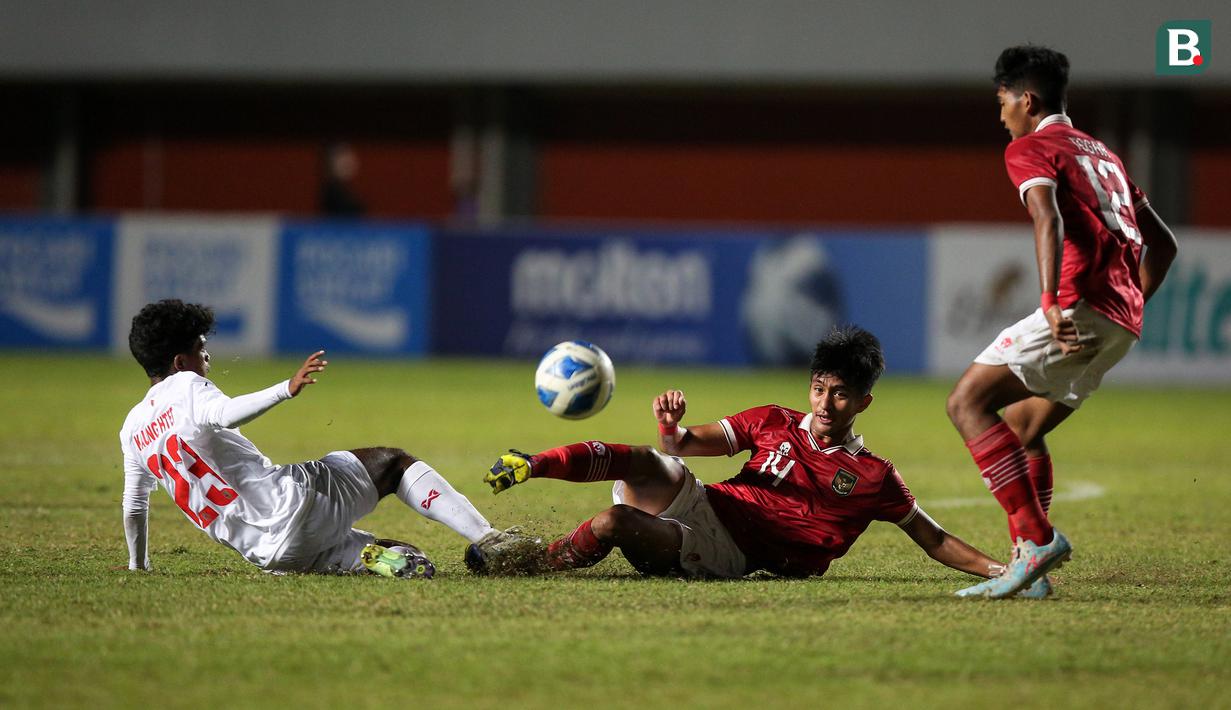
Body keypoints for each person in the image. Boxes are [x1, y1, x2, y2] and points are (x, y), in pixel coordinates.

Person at [474, 327, 1038, 595]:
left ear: (863, 401)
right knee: (646, 459)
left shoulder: (874, 476)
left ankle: (534, 563)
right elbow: (683, 447)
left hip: (733, 552)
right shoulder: (774, 420)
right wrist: (672, 428)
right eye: (819, 387)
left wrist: (1006, 569)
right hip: (707, 502)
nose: (823, 401)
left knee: (614, 522)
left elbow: (933, 538)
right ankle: (533, 462)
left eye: (839, 393)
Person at [944, 46, 1178, 599]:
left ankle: (1036, 537)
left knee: (967, 402)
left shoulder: (1031, 147)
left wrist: (1051, 301)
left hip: (1077, 308)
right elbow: (1163, 244)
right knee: (1025, 430)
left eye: (1002, 102)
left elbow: (1045, 216)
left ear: (1027, 100)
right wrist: (1131, 300)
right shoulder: (1106, 155)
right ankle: (1031, 571)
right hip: (1121, 322)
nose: (1000, 114)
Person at [120, 299, 528, 577]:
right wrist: (285, 388)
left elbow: (134, 507)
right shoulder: (187, 385)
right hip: (293, 504)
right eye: (200, 348)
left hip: (267, 553)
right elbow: (225, 414)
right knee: (393, 463)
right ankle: (488, 538)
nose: (207, 357)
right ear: (179, 362)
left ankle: (369, 558)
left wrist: (139, 568)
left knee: (408, 555)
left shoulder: (133, 428)